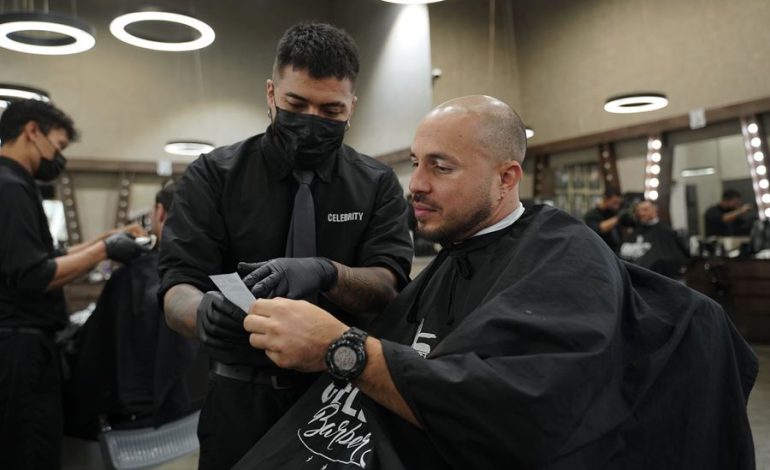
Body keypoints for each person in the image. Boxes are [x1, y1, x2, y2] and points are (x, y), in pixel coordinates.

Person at [233, 95, 757, 469]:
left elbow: (514, 409)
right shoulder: (459, 251)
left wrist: (338, 347)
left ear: (506, 178)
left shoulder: (562, 254)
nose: (415, 184)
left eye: (441, 167)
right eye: (416, 164)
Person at [157, 23, 413, 469]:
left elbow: (389, 286)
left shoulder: (376, 185)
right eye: (297, 104)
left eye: (331, 109)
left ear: (352, 106)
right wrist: (201, 313)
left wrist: (327, 272)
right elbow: (177, 286)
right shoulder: (213, 176)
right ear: (272, 94)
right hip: (240, 398)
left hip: (341, 396)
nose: (311, 120)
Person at [0, 99, 149, 469]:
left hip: (20, 348)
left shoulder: (14, 184)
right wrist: (105, 249)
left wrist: (108, 237)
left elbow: (51, 257)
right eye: (60, 146)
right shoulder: (10, 187)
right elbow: (38, 275)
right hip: (20, 351)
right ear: (32, 131)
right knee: (29, 453)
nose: (59, 157)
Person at [63, 181, 206, 439]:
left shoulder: (130, 279)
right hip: (190, 415)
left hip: (132, 419)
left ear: (159, 213)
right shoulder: (213, 277)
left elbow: (92, 361)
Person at [619, 199, 689, 279]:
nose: (641, 213)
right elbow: (623, 250)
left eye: (645, 210)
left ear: (655, 210)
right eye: (639, 211)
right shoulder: (637, 230)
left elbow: (673, 256)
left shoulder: (666, 231)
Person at [584, 186, 629, 253]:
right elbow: (598, 229)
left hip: (616, 251)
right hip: (599, 251)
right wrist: (618, 218)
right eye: (614, 203)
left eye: (619, 203)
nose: (617, 206)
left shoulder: (613, 212)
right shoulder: (593, 214)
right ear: (606, 199)